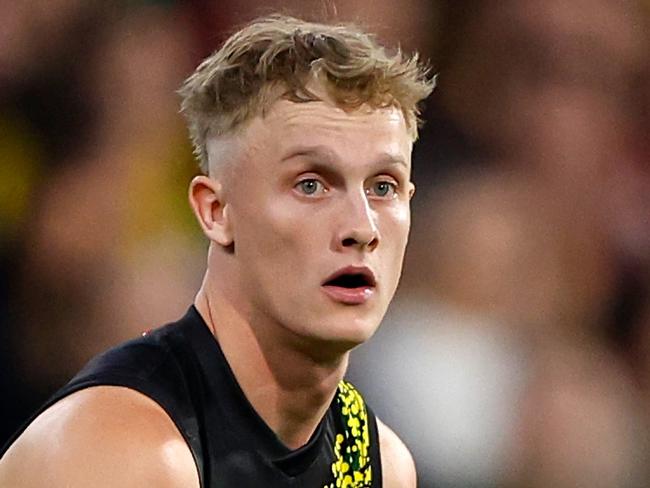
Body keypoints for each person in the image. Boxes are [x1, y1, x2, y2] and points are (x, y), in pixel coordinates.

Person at [0, 14, 432, 487]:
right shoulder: (124, 450)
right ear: (216, 211)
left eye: (383, 187)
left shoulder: (377, 463)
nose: (361, 227)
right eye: (311, 185)